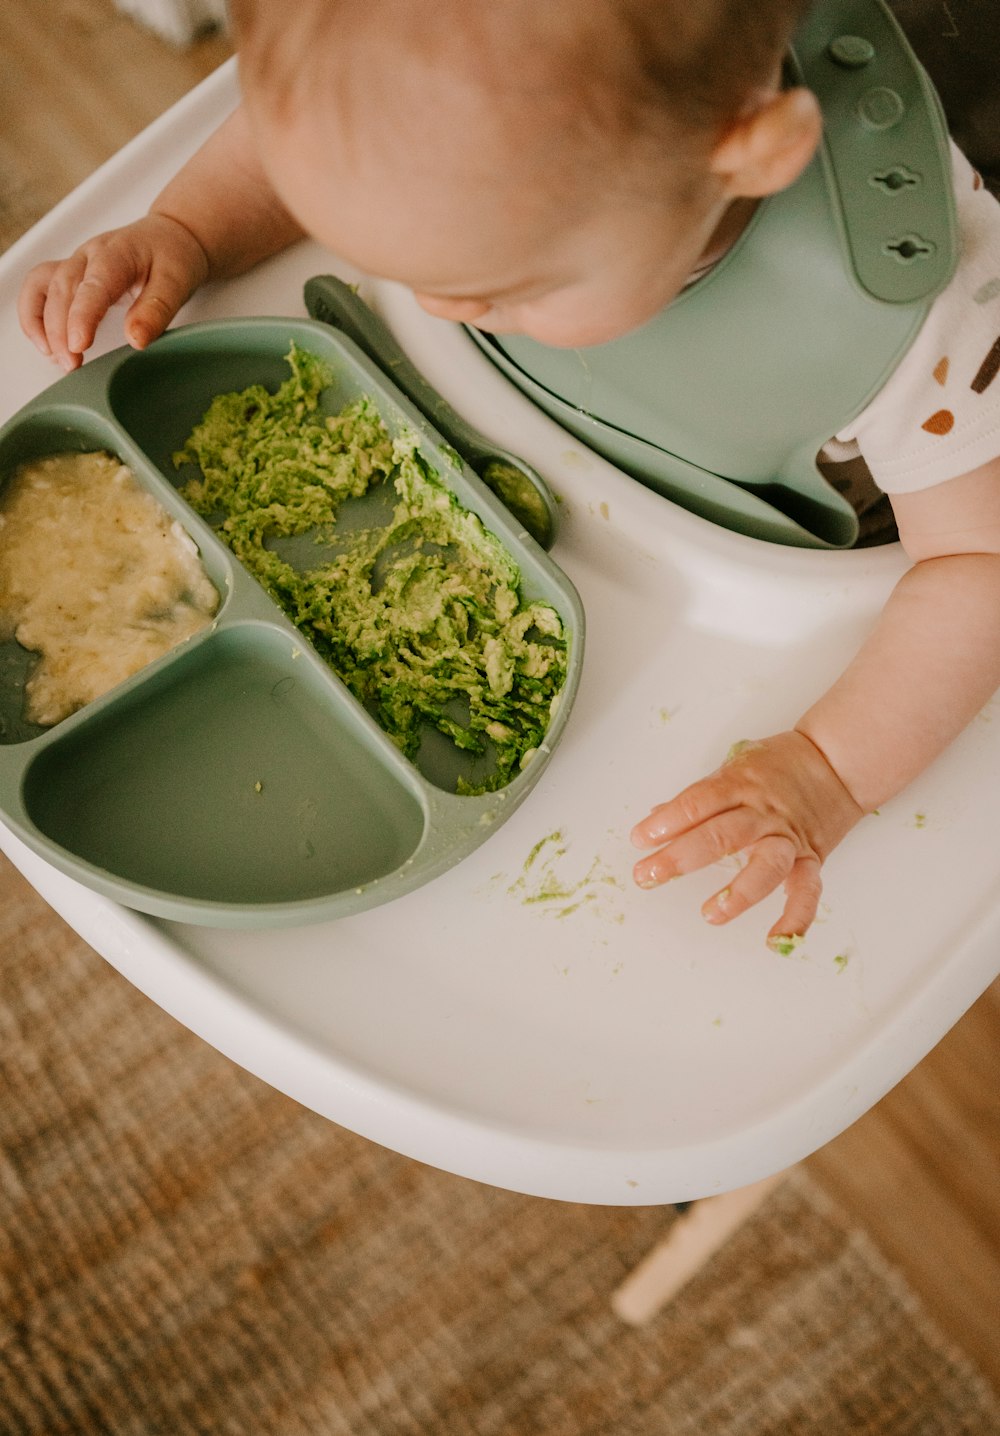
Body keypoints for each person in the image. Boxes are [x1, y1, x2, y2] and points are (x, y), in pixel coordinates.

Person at [17, 0, 1000, 947]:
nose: (435, 308)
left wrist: (827, 769)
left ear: (745, 154)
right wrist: (189, 230)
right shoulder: (422, 112)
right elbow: (313, 145)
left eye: (496, 285)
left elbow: (977, 564)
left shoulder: (912, 311)